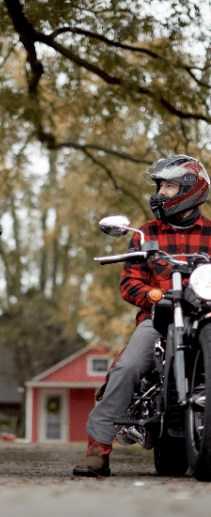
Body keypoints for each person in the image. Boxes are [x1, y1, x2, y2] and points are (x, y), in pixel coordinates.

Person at [73, 154, 211, 477]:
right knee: (127, 367)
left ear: (190, 190)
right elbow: (129, 283)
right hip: (159, 318)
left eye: (169, 186)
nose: (160, 193)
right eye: (160, 186)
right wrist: (153, 296)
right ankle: (98, 449)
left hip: (205, 319)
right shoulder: (145, 233)